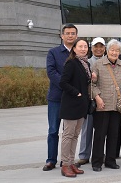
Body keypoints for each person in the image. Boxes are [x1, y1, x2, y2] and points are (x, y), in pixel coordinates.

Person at [44, 23, 78, 172]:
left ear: (76, 36)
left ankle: (67, 160)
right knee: (53, 130)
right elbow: (51, 72)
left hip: (72, 99)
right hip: (56, 97)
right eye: (67, 33)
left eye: (73, 33)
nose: (70, 36)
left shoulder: (79, 53)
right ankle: (51, 160)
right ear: (62, 35)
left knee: (69, 132)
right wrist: (67, 87)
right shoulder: (53, 52)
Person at [90, 38, 121, 172]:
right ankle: (97, 162)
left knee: (113, 134)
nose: (114, 52)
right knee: (100, 135)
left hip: (116, 106)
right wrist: (97, 97)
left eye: (117, 50)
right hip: (102, 105)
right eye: (112, 50)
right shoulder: (98, 64)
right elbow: (91, 84)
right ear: (107, 50)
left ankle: (110, 160)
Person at [58, 38, 91, 178]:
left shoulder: (85, 63)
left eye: (85, 46)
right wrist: (76, 92)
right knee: (68, 135)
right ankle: (65, 164)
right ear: (74, 49)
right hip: (71, 105)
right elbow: (63, 82)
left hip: (81, 106)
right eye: (80, 46)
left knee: (75, 135)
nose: (83, 49)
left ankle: (71, 162)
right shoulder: (71, 63)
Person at [77, 37, 105, 166]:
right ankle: (84, 155)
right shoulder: (86, 62)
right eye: (95, 46)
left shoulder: (108, 61)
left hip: (104, 102)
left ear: (104, 48)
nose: (98, 49)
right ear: (91, 48)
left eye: (101, 46)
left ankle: (100, 154)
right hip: (89, 101)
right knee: (86, 129)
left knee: (102, 131)